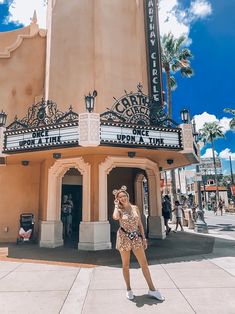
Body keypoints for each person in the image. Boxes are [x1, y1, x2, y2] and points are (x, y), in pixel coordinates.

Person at [112, 185, 165, 301]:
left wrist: (144, 238)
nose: (122, 198)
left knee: (144, 264)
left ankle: (152, 289)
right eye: (120, 197)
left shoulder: (135, 208)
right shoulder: (119, 210)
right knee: (125, 265)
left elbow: (140, 224)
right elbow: (115, 217)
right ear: (118, 199)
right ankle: (128, 289)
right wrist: (116, 205)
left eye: (124, 196)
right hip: (123, 237)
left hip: (136, 237)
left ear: (127, 196)